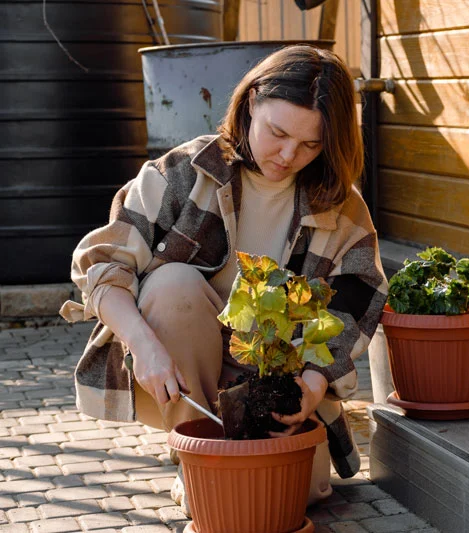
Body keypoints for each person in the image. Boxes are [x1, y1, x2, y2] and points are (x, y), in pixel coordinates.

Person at [59, 45, 389, 511]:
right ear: (251, 101)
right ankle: (197, 453)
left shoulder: (340, 207)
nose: (289, 154)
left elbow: (357, 304)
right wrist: (144, 345)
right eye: (277, 133)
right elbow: (102, 263)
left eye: (311, 144)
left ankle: (233, 454)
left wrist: (313, 389)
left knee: (301, 494)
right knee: (171, 285)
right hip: (186, 364)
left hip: (278, 378)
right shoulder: (185, 172)